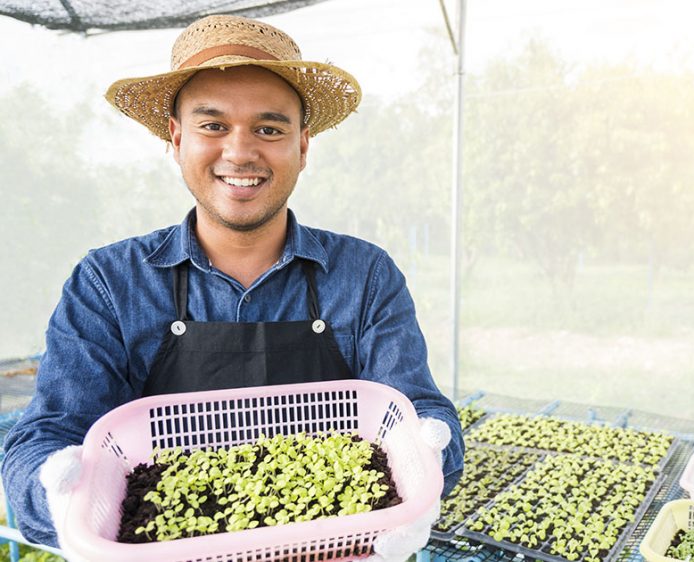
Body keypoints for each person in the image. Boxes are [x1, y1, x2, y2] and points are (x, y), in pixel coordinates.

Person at [1, 13, 464, 557]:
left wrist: (428, 456)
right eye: (213, 125)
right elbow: (46, 438)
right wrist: (57, 493)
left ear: (303, 146)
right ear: (176, 138)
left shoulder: (363, 276)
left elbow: (419, 411)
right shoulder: (108, 283)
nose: (241, 152)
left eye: (269, 129)